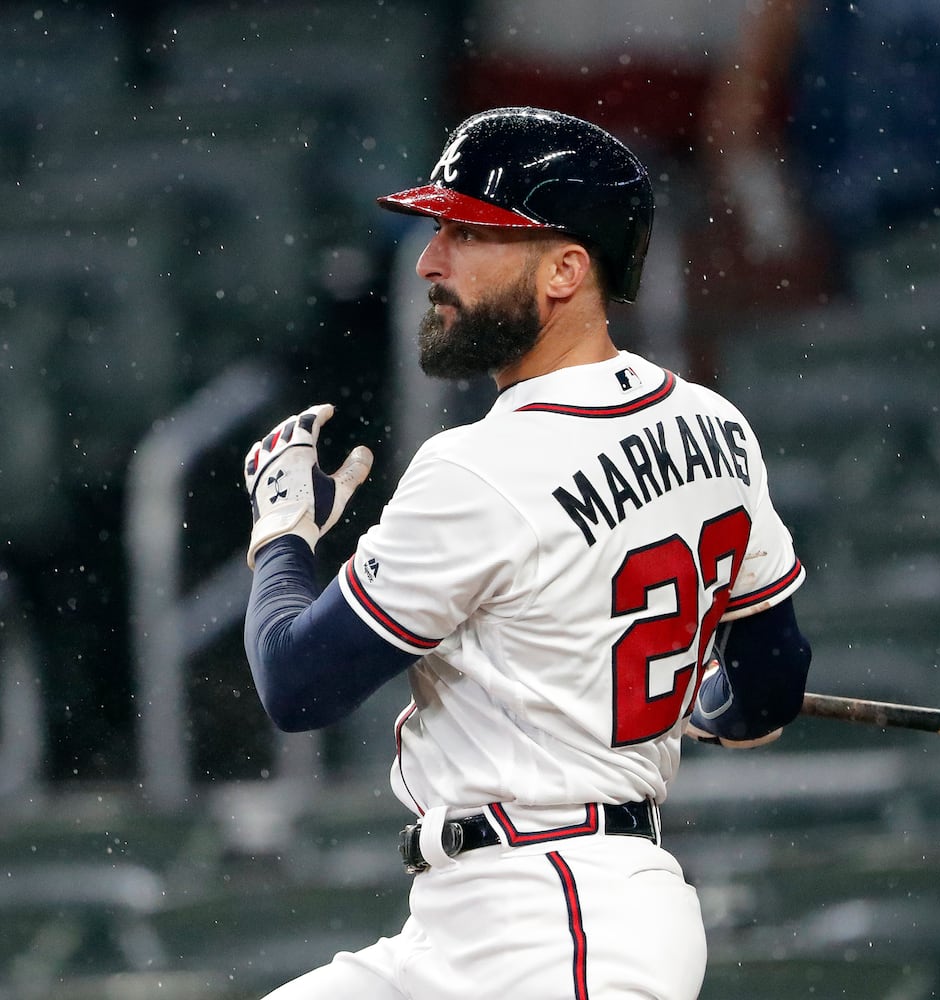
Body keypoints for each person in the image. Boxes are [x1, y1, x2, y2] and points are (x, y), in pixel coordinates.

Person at [239, 106, 812, 999]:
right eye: (439, 230)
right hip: (481, 921)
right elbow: (772, 678)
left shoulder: (483, 466)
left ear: (566, 268)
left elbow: (294, 682)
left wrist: (280, 539)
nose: (430, 261)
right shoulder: (716, 426)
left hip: (561, 921)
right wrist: (713, 703)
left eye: (470, 233)